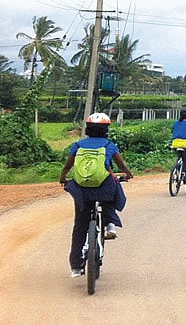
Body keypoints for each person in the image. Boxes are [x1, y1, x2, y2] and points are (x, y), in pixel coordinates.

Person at [59, 112, 133, 278]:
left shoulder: (78, 145)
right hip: (103, 187)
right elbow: (122, 165)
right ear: (106, 130)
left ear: (88, 129)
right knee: (113, 184)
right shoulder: (109, 145)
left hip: (82, 189)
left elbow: (67, 166)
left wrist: (63, 179)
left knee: (80, 225)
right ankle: (111, 224)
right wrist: (128, 174)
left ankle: (76, 266)